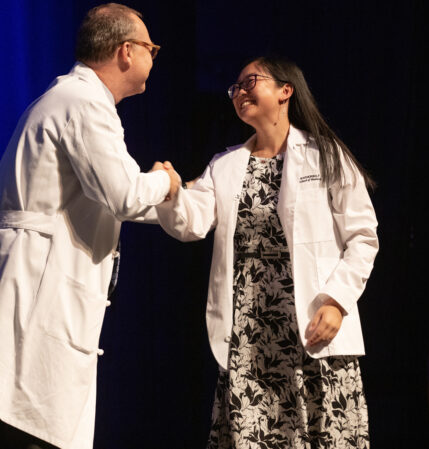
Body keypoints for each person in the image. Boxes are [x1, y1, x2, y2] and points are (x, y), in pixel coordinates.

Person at [0, 3, 180, 449]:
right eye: (150, 48)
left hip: (28, 280)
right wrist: (166, 179)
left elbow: (109, 197)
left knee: (25, 426)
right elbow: (123, 194)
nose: (151, 58)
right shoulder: (84, 104)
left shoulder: (70, 98)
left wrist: (180, 201)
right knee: (29, 432)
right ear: (125, 51)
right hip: (34, 291)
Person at [155, 56, 379, 448]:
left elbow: (363, 237)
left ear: (285, 90)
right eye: (234, 88)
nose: (240, 92)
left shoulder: (325, 155)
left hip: (313, 329)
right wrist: (170, 191)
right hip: (250, 337)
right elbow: (190, 223)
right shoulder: (224, 166)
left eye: (250, 82)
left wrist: (338, 302)